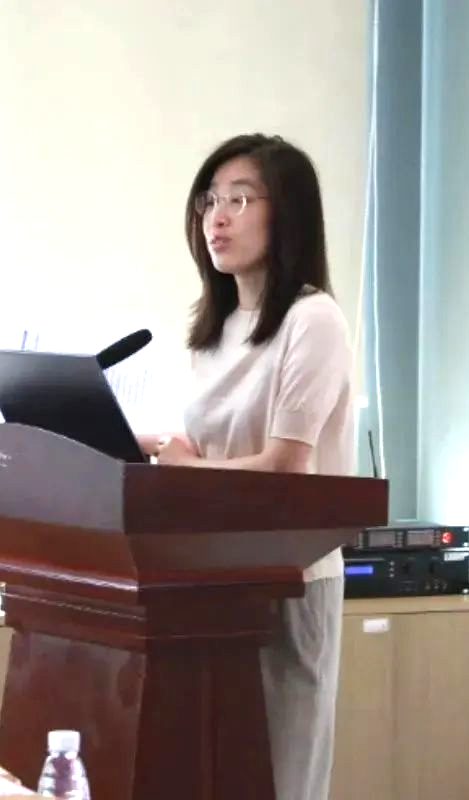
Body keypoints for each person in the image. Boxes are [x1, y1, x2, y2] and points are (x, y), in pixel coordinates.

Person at [142, 133, 354, 800]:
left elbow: (285, 467)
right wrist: (148, 446)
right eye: (210, 201)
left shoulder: (312, 319)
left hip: (289, 578)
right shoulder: (215, 327)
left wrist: (183, 469)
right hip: (211, 579)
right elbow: (214, 453)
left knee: (280, 779)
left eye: (240, 199)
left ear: (286, 214)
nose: (218, 218)